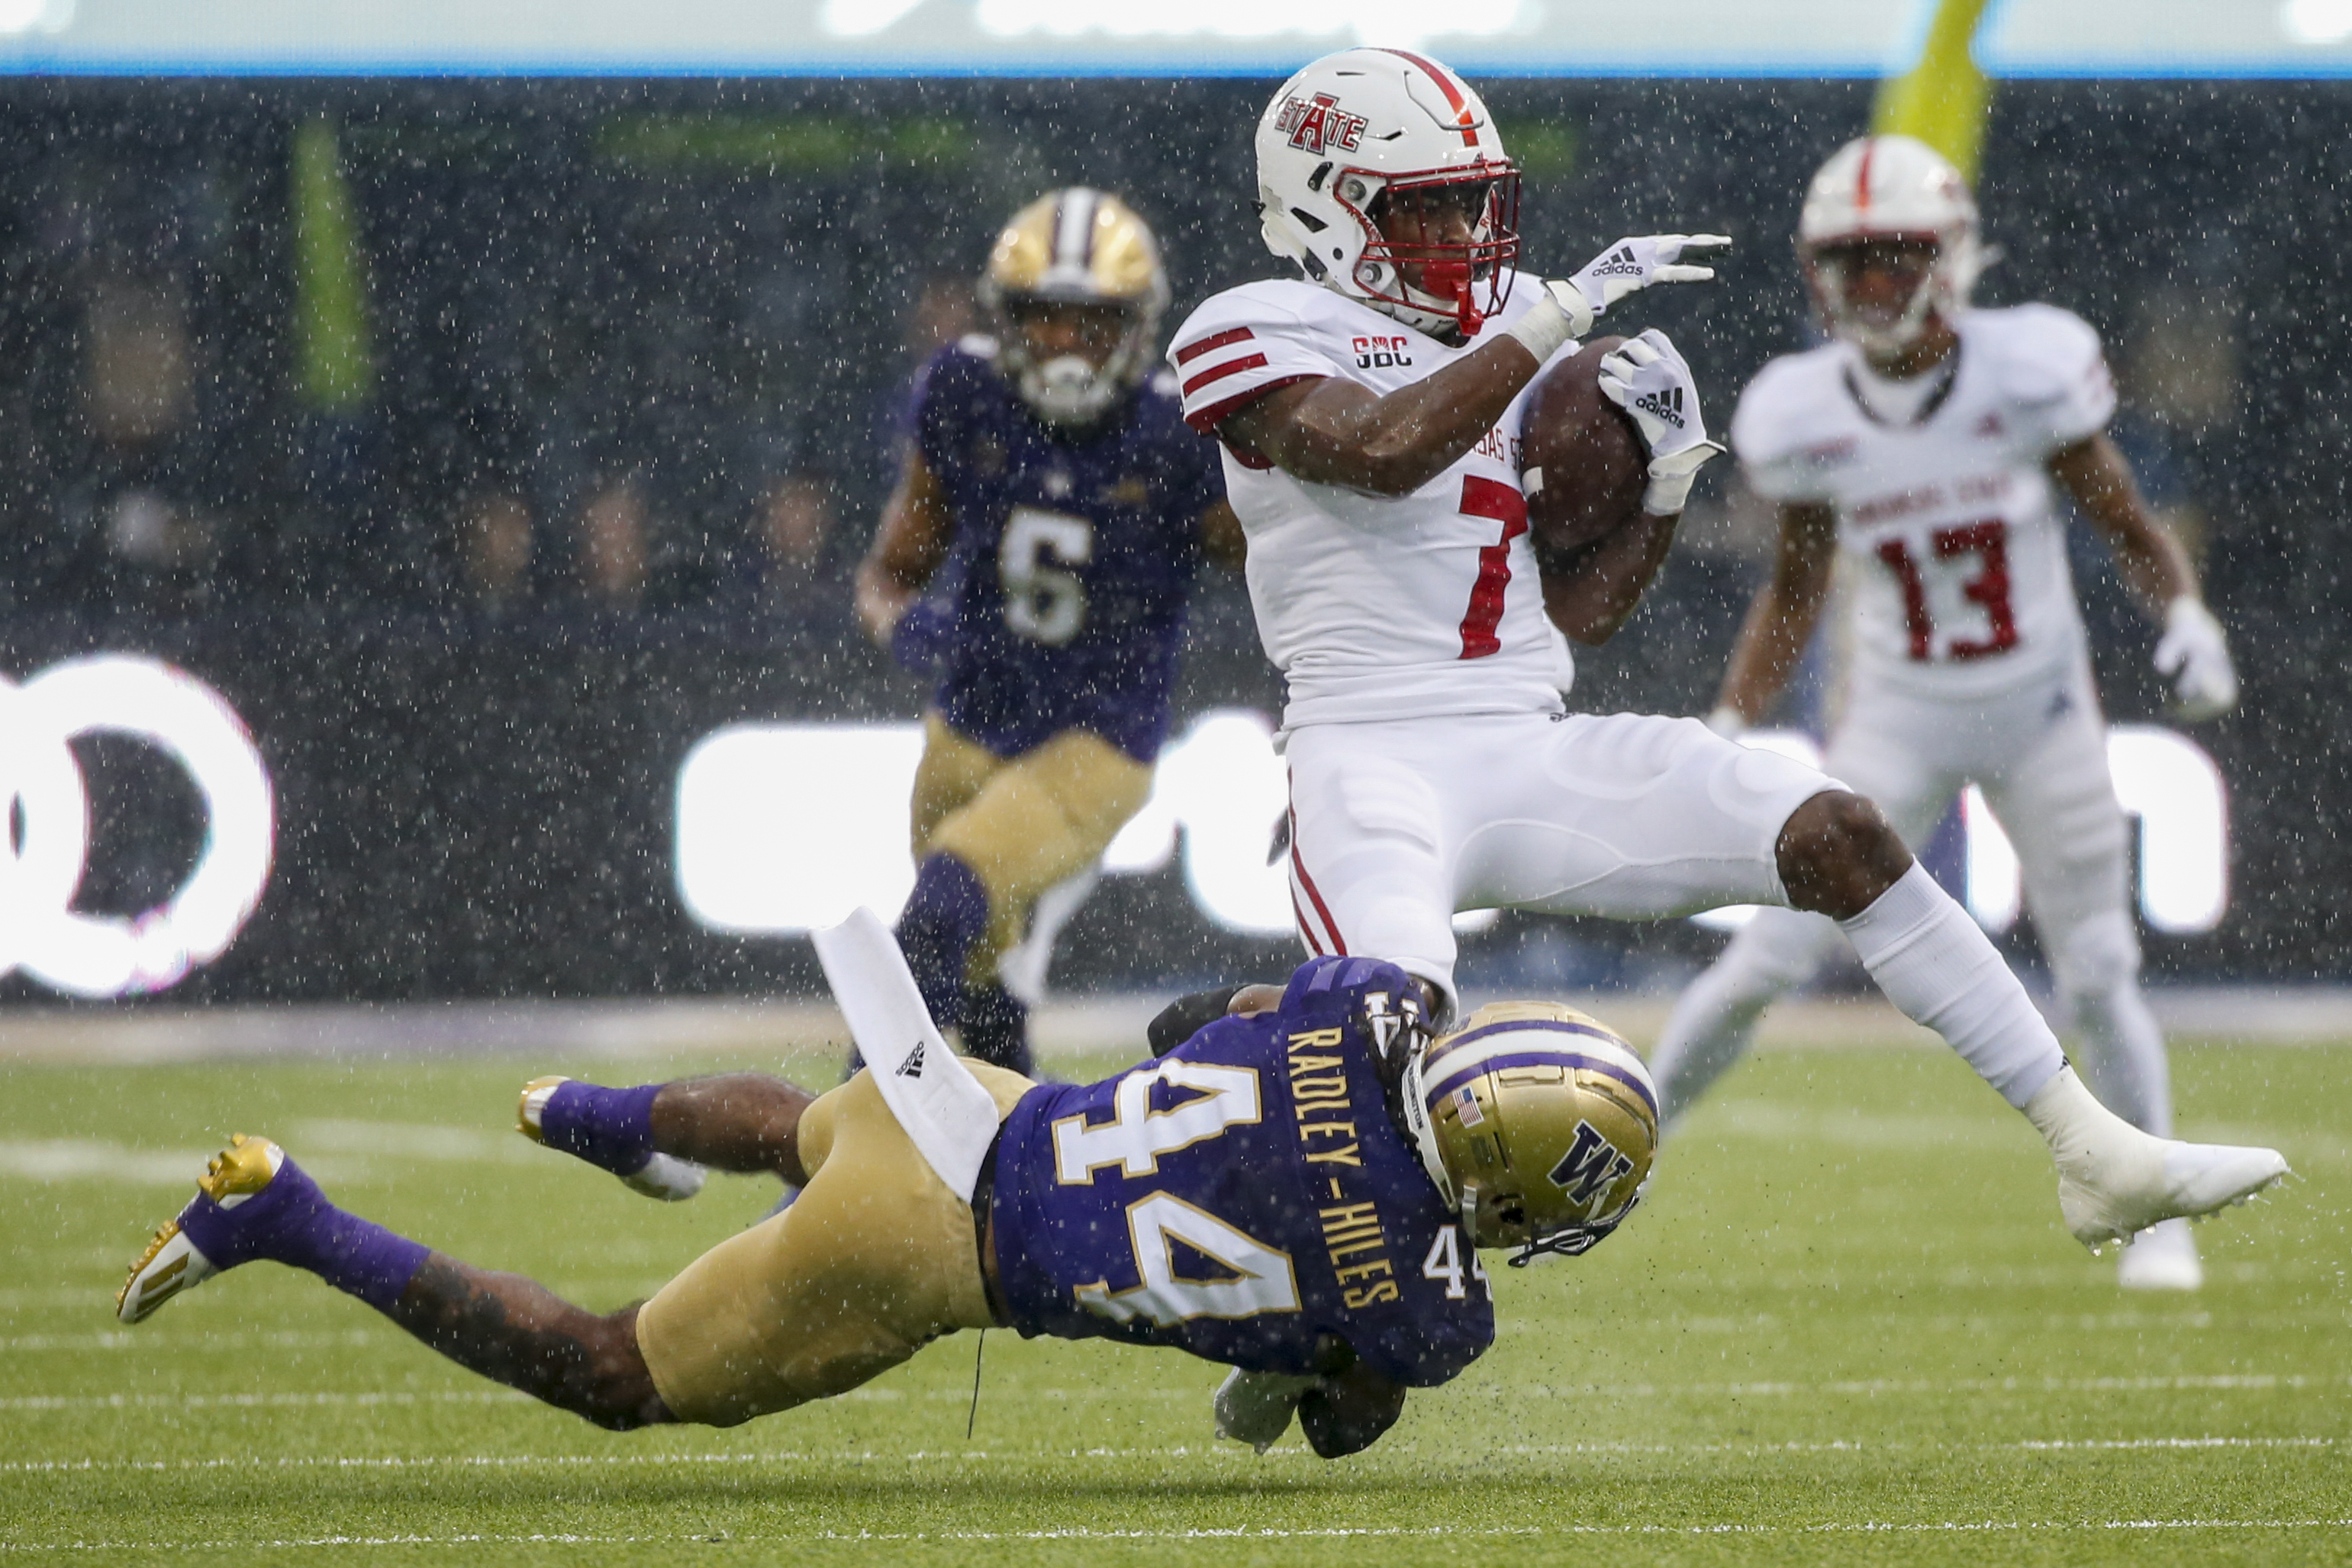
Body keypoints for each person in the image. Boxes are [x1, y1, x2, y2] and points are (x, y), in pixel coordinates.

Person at [1164, 47, 2283, 1257]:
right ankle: (1249, 1134)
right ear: (1325, 205)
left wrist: (1662, 487)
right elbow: (1378, 450)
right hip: (1369, 759)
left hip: (1524, 744)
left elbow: (1582, 615)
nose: (1459, 231)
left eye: (1469, 199)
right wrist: (1554, 319)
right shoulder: (1253, 324)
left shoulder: (1518, 318)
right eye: (1421, 204)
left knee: (1834, 829)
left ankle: (2091, 1149)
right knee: (1384, 1043)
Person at [117, 950, 1655, 1459]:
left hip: (974, 1104)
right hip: (931, 1254)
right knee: (610, 1374)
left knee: (801, 1125)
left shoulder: (1365, 1010)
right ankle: (284, 1214)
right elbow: (1332, 1419)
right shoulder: (1427, 1310)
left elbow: (1189, 1020)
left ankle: (586, 1113)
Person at [1645, 136, 2242, 1290]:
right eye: (1848, 261)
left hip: (2039, 705)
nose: (1869, 284)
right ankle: (1638, 1134)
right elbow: (1797, 586)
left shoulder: (2027, 370)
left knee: (2097, 970)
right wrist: (1726, 719)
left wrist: (2185, 613)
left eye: (1892, 257)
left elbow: (2123, 517)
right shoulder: (1801, 408)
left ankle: (2159, 1217)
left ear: (1951, 256)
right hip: (1897, 718)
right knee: (1766, 952)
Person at [855, 188, 1245, 1074]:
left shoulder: (1177, 433)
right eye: (1046, 322)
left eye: (1093, 325)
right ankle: (1018, 1172)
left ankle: (832, 1153)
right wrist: (900, 626)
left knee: (943, 908)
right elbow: (889, 572)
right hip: (967, 715)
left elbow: (1284, 576)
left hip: (1097, 739)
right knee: (977, 962)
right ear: (1006, 320)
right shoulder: (963, 394)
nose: (1068, 347)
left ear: (1138, 328)